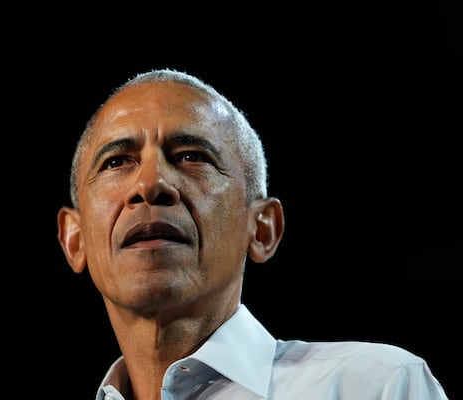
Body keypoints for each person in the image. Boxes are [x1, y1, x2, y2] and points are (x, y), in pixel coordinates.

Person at [56, 68, 449, 400]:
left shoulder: (374, 386)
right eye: (117, 161)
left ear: (262, 229)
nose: (151, 183)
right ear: (75, 239)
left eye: (192, 157)